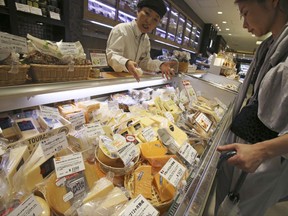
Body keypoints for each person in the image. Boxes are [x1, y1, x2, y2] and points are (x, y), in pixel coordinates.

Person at [215, 0, 288, 215]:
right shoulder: (268, 47)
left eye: (245, 13)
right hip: (243, 150)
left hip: (265, 160)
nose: (245, 24)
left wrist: (260, 151)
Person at [106, 0, 174, 82]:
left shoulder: (146, 40)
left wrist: (161, 65)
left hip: (131, 82)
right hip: (115, 81)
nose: (149, 21)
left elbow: (145, 63)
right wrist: (126, 63)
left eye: (155, 19)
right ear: (138, 11)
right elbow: (111, 56)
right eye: (147, 13)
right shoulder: (121, 30)